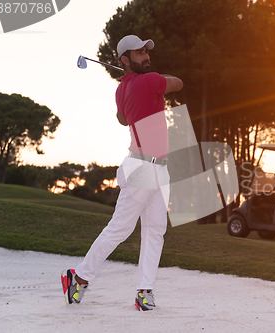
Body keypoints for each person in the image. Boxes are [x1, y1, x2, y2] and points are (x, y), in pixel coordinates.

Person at [61, 35, 183, 311]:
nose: (146, 56)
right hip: (142, 167)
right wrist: (145, 81)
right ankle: (78, 278)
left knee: (155, 232)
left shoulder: (122, 89)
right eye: (139, 53)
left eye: (146, 51)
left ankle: (144, 291)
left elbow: (122, 118)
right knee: (120, 228)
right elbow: (178, 82)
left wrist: (132, 83)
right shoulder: (150, 80)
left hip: (157, 168)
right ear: (124, 60)